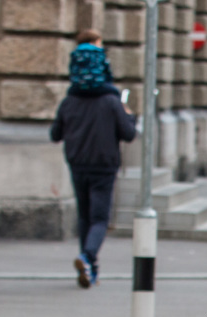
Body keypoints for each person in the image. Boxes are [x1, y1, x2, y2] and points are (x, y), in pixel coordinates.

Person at [50, 31, 137, 288]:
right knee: (100, 218)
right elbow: (129, 134)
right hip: (104, 165)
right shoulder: (111, 101)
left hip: (77, 163)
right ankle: (87, 258)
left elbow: (55, 134)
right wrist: (129, 115)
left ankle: (90, 269)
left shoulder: (69, 100)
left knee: (84, 216)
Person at [67, 29, 120, 97]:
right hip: (97, 86)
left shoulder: (75, 54)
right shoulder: (99, 53)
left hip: (78, 88)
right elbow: (107, 73)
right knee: (115, 92)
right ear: (94, 42)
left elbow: (72, 71)